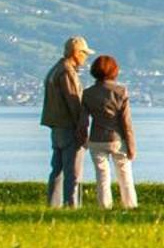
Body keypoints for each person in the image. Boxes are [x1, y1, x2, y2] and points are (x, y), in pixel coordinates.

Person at [79, 55, 137, 210]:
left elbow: (83, 121)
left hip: (96, 139)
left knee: (102, 175)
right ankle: (130, 205)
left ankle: (104, 207)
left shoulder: (87, 93)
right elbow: (126, 122)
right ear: (114, 71)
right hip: (117, 139)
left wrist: (83, 139)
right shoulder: (121, 91)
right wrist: (131, 146)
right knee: (125, 174)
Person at [40, 36, 90, 208]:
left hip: (56, 126)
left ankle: (52, 204)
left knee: (57, 169)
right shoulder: (67, 72)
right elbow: (73, 101)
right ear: (76, 53)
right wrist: (82, 127)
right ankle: (72, 205)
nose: (86, 57)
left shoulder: (54, 70)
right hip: (68, 127)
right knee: (72, 171)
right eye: (84, 53)